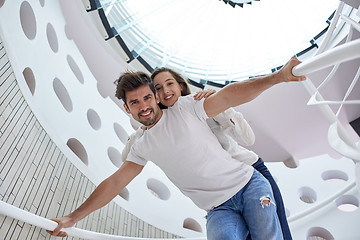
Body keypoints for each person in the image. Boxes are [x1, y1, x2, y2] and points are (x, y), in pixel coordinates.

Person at [47, 57, 305, 239]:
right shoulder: (140, 146)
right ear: (127, 109)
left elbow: (229, 95)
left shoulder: (185, 107)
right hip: (219, 209)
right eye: (135, 102)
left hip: (249, 185)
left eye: (148, 97)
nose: (144, 105)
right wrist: (73, 217)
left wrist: (279, 77)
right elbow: (115, 183)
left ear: (156, 97)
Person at [149, 67, 293, 240]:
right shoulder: (165, 129)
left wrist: (223, 105)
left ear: (180, 86)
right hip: (223, 194)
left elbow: (248, 139)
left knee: (278, 232)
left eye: (169, 83)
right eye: (157, 88)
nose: (165, 90)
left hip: (250, 172)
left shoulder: (202, 105)